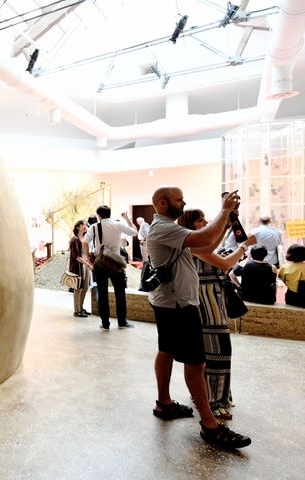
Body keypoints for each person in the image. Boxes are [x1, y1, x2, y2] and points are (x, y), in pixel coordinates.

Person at [147, 187, 251, 449]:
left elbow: (206, 244)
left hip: (170, 302)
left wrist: (225, 221)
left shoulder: (168, 229)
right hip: (180, 305)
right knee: (196, 364)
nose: (184, 202)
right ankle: (210, 425)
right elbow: (204, 238)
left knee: (167, 350)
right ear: (162, 203)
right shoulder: (163, 228)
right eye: (179, 199)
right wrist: (225, 210)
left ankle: (164, 403)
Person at [177, 209, 257, 420]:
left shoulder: (197, 243)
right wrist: (245, 245)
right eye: (200, 219)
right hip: (206, 301)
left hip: (212, 298)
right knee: (217, 350)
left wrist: (228, 223)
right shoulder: (193, 244)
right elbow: (225, 263)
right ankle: (214, 399)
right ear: (191, 224)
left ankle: (211, 395)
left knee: (212, 351)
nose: (205, 222)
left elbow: (220, 257)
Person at [82, 206, 138, 331]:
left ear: (98, 215)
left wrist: (88, 257)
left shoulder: (94, 227)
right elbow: (135, 232)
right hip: (116, 263)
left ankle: (105, 323)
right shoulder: (118, 225)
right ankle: (122, 321)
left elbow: (85, 242)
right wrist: (127, 218)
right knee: (120, 293)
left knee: (102, 293)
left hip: (100, 263)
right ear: (109, 214)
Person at [69, 220, 91, 318]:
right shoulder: (74, 239)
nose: (84, 226)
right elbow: (77, 257)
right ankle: (76, 310)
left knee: (85, 287)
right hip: (79, 266)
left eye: (85, 225)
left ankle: (81, 308)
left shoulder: (85, 238)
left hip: (86, 265)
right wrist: (88, 264)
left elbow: (87, 253)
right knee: (78, 288)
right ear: (77, 227)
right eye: (82, 225)